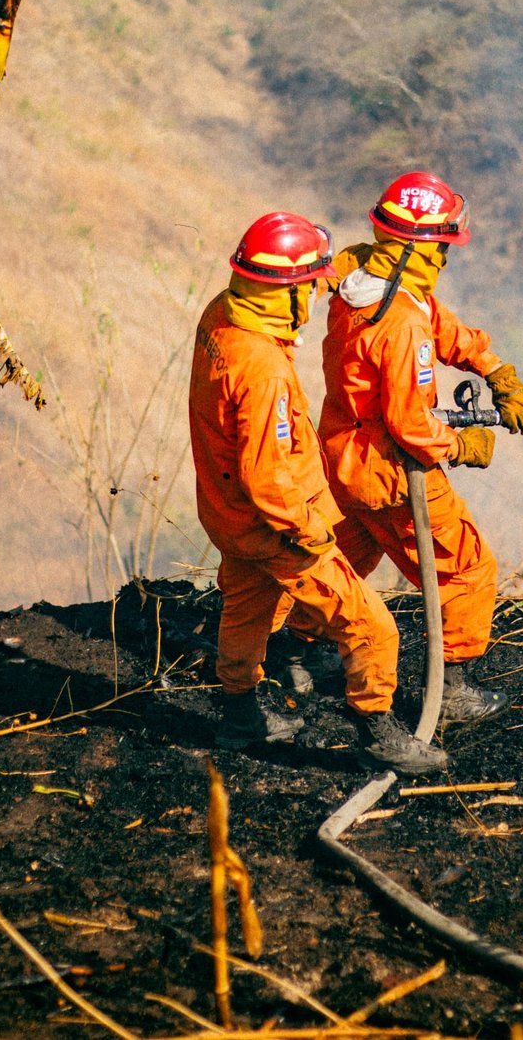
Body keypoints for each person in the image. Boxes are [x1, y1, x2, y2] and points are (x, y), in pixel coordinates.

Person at [188, 210, 448, 775]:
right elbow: (269, 478)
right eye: (306, 286)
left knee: (246, 609)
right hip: (275, 523)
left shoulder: (223, 315)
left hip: (227, 514)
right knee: (370, 623)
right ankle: (378, 732)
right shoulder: (263, 372)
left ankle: (239, 717)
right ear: (282, 293)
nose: (312, 296)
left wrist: (360, 261)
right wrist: (311, 531)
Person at [319, 173, 523, 724]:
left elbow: (437, 320)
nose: (446, 254)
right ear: (419, 249)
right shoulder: (400, 327)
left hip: (342, 456)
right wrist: (464, 443)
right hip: (390, 473)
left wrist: (494, 370)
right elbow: (412, 423)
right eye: (441, 244)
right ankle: (453, 690)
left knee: (345, 557)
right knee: (465, 568)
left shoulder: (362, 278)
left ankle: (301, 656)